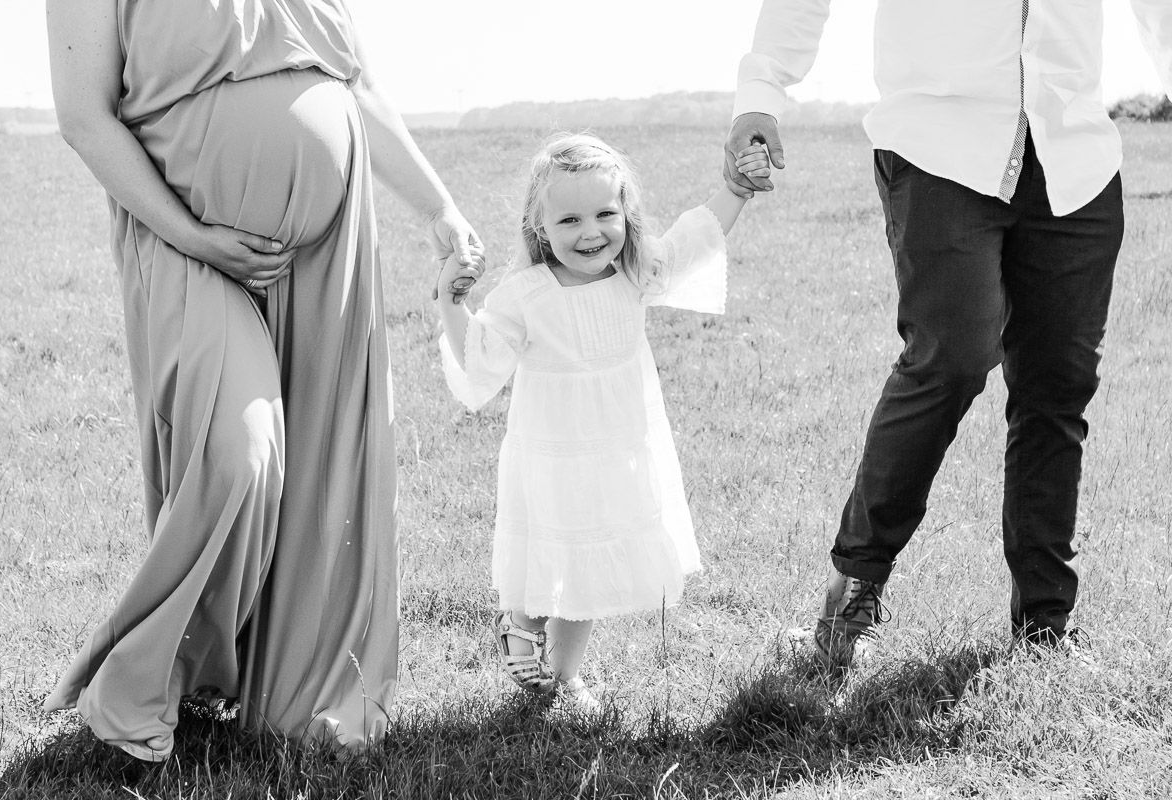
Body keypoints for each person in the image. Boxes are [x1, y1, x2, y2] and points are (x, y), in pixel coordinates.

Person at [42, 0, 483, 760]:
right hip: (184, 230)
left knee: (322, 467)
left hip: (329, 241)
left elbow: (355, 89)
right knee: (237, 453)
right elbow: (86, 119)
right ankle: (135, 684)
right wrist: (195, 238)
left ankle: (296, 694)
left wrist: (442, 214)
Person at [724, 1, 1172, 669]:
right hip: (939, 147)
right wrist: (762, 93)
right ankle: (853, 592)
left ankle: (1046, 628)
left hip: (1073, 155)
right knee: (953, 357)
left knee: (1058, 386)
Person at [434, 132, 769, 709]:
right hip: (552, 449)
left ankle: (566, 675)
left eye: (604, 214)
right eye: (569, 220)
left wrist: (735, 190)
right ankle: (521, 625)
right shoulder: (527, 294)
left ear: (626, 214)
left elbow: (692, 241)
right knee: (550, 544)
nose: (590, 233)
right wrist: (450, 301)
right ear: (540, 228)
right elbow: (480, 357)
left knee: (586, 566)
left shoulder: (635, 272)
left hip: (614, 447)